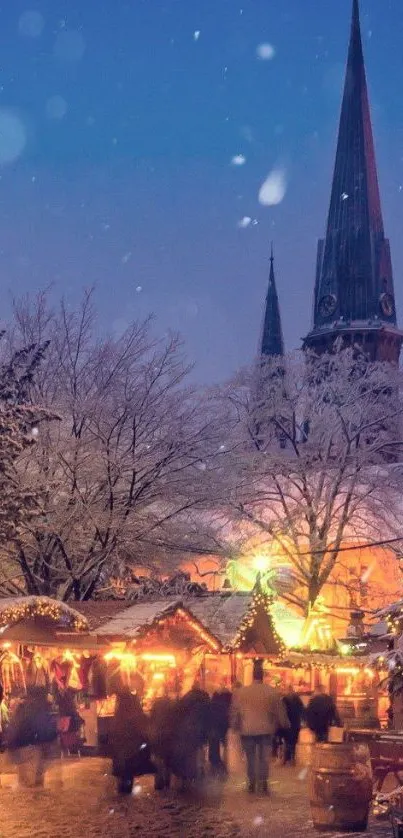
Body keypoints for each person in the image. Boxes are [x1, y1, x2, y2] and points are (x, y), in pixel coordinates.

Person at [231, 660, 290, 795]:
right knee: (264, 758)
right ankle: (263, 783)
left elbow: (235, 711)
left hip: (247, 730)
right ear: (262, 676)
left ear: (252, 676)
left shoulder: (242, 692)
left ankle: (252, 783)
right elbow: (279, 711)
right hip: (266, 729)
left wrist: (235, 726)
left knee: (251, 758)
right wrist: (284, 724)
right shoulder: (271, 692)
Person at [5, 686, 58, 788]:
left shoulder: (23, 707)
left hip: (24, 749)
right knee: (31, 786)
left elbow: (13, 728)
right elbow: (43, 729)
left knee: (28, 785)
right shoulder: (35, 708)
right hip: (30, 749)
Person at [110, 687, 155, 794]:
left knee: (123, 772)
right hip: (131, 749)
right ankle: (125, 791)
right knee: (127, 772)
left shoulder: (120, 714)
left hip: (122, 749)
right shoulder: (135, 711)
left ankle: (123, 791)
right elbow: (142, 728)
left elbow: (115, 731)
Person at [208, 682, 232, 777]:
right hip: (222, 725)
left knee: (214, 742)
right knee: (222, 742)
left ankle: (215, 760)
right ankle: (222, 761)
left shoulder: (213, 703)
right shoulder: (226, 702)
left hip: (214, 725)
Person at [283, 684, 305, 764]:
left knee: (287, 740)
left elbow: (282, 711)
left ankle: (286, 758)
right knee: (294, 741)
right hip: (296, 722)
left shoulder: (284, 699)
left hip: (287, 722)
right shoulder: (297, 699)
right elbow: (302, 710)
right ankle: (292, 758)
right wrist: (303, 720)